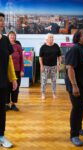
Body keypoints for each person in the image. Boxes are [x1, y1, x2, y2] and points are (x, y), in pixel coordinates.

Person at [0, 12, 17, 148]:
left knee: (1, 110)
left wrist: (13, 78)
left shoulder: (5, 40)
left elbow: (9, 61)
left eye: (3, 20)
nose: (2, 23)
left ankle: (1, 136)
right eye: (0, 20)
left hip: (2, 82)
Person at [39, 33, 62, 101]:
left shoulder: (56, 46)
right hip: (45, 66)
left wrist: (59, 64)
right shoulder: (43, 47)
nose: (51, 38)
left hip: (54, 66)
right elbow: (40, 57)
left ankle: (54, 93)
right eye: (50, 37)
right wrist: (41, 66)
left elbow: (59, 56)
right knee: (44, 81)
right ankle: (43, 94)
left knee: (54, 81)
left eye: (52, 37)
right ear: (46, 39)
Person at [6, 31, 24, 111]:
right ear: (8, 37)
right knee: (6, 87)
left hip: (17, 70)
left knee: (15, 88)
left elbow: (22, 60)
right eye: (10, 35)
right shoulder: (5, 46)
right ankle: (6, 104)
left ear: (15, 37)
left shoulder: (18, 46)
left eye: (13, 36)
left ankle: (13, 104)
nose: (12, 37)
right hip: (6, 71)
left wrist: (22, 70)